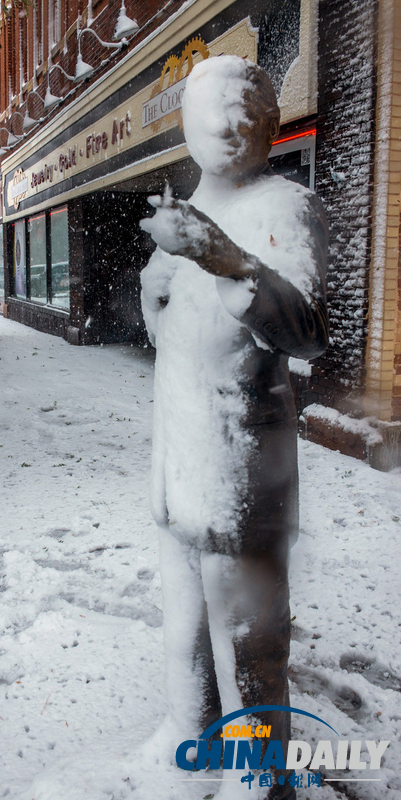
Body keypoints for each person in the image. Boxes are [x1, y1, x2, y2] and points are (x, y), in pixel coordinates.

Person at [140, 56, 328, 799]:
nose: (231, 122)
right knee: (184, 637)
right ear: (184, 122)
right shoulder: (179, 216)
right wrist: (154, 293)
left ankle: (259, 781)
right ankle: (190, 740)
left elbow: (308, 331)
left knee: (248, 647)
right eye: (213, 108)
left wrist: (223, 260)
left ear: (271, 125)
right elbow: (171, 341)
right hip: (178, 469)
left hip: (241, 472)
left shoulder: (285, 205)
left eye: (249, 108)